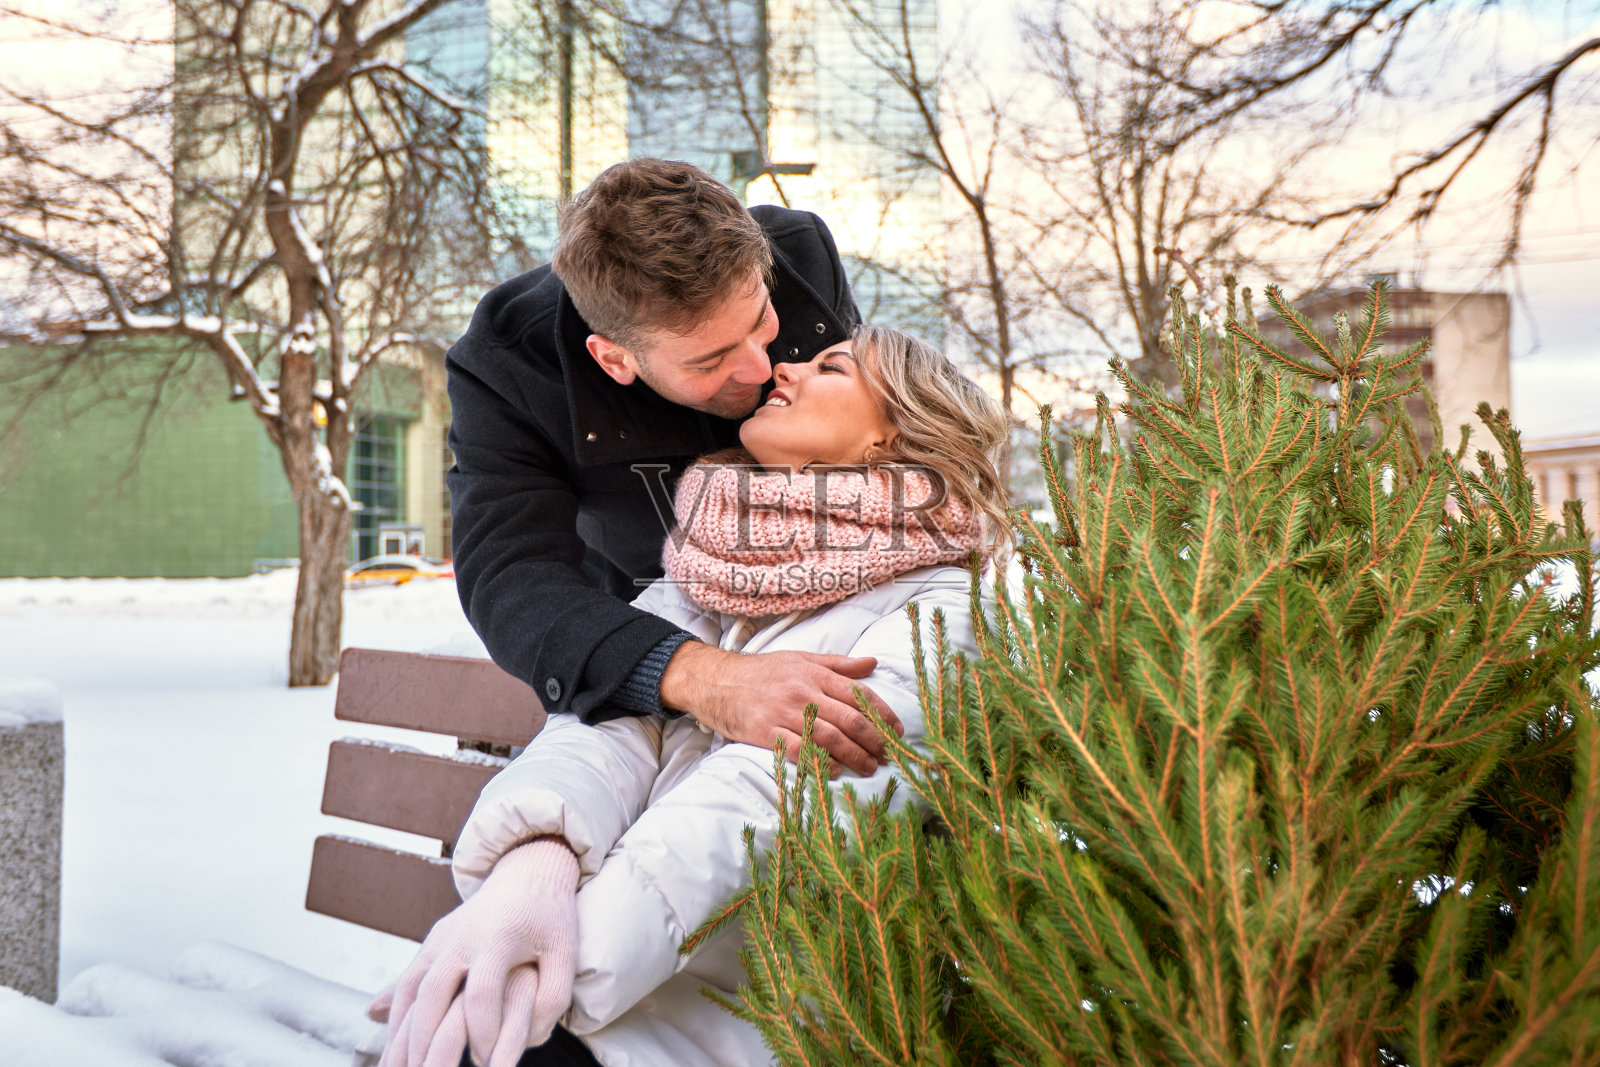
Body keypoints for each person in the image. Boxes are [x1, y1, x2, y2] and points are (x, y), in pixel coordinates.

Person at [374, 325, 1012, 1067]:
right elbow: (607, 725)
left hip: (756, 1014)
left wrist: (557, 971)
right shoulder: (714, 565)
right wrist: (531, 872)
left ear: (891, 435)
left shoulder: (946, 606)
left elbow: (766, 804)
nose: (785, 367)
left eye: (830, 366)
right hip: (615, 982)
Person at [446, 157, 907, 780]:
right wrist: (703, 677)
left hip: (823, 614)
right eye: (710, 359)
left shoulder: (800, 252)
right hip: (641, 625)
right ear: (615, 360)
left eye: (761, 320)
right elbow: (509, 574)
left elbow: (865, 441)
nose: (761, 369)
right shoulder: (507, 365)